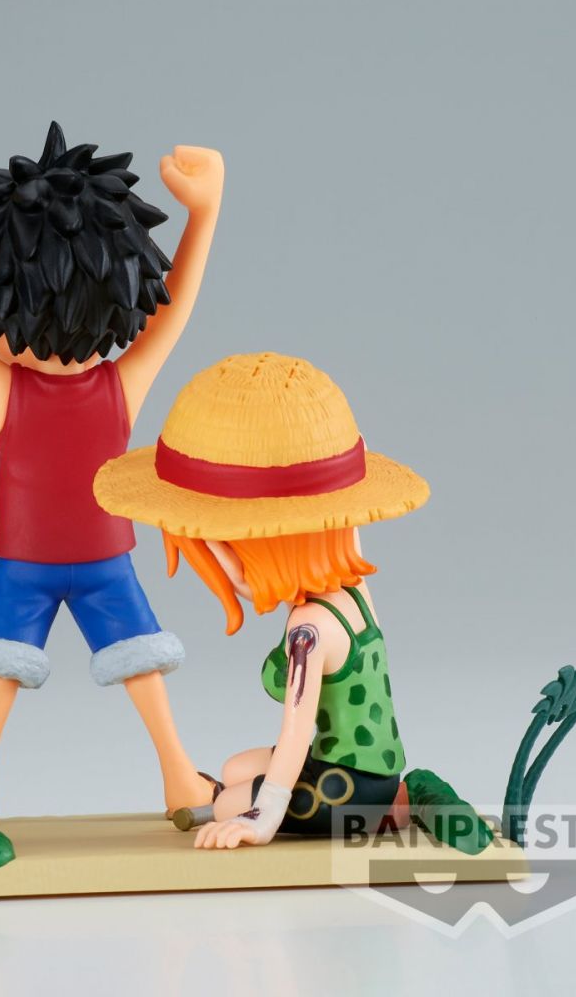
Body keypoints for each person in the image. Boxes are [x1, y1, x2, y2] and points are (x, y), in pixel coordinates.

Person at [0, 122, 224, 822]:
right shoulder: (120, 385)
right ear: (125, 290)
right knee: (139, 660)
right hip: (105, 559)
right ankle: (180, 779)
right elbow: (177, 311)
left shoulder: (3, 389)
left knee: (1, 666)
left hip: (26, 562)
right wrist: (205, 213)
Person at [94, 352, 430, 848]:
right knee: (234, 767)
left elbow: (296, 729)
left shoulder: (308, 631)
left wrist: (261, 814)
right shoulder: (354, 589)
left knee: (228, 800)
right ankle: (388, 801)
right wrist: (207, 529)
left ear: (267, 549)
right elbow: (335, 518)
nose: (235, 578)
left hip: (348, 787)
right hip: (372, 767)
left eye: (238, 554)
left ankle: (383, 810)